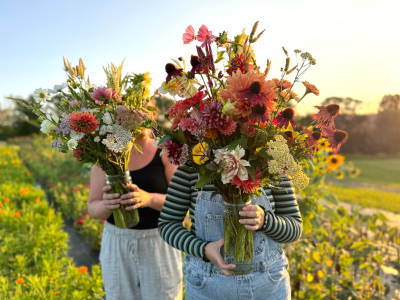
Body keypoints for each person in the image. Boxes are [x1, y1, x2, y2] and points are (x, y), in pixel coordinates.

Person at [159, 166, 303, 300]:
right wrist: (203, 249)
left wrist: (266, 221)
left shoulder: (272, 164)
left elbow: (295, 228)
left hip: (268, 287)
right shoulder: (192, 167)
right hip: (207, 288)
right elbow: (167, 224)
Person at [88, 128, 182, 300]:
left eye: (144, 108)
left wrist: (149, 199)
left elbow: (181, 203)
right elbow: (93, 208)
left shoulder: (166, 151)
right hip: (117, 242)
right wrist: (107, 205)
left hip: (160, 241)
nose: (138, 118)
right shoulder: (104, 156)